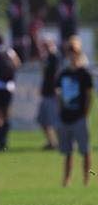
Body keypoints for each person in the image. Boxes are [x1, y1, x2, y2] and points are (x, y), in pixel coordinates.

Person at [55, 35, 93, 187]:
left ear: (79, 52)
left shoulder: (84, 73)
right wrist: (59, 109)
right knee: (67, 152)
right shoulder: (63, 73)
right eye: (69, 50)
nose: (71, 53)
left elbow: (90, 95)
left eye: (74, 50)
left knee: (85, 150)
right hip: (65, 116)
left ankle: (86, 180)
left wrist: (86, 112)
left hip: (79, 117)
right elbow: (58, 92)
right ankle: (67, 180)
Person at [36, 38, 60, 150]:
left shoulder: (54, 56)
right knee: (43, 120)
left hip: (52, 93)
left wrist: (57, 89)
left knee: (54, 120)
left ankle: (62, 141)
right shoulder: (46, 58)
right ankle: (51, 142)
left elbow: (55, 74)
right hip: (46, 92)